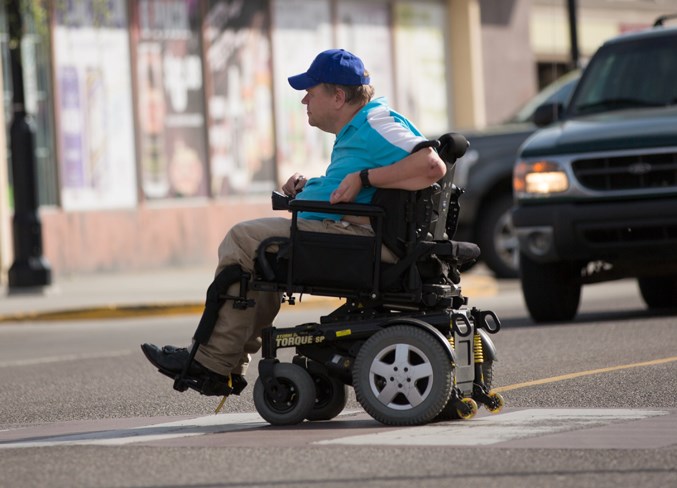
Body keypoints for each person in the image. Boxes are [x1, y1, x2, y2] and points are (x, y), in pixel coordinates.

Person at [141, 49, 446, 396]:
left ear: (338, 97)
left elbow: (432, 166)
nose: (304, 100)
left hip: (365, 242)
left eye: (311, 92)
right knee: (258, 253)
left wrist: (365, 177)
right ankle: (217, 362)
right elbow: (355, 184)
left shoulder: (377, 122)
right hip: (359, 234)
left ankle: (213, 362)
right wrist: (311, 186)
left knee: (244, 240)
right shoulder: (359, 129)